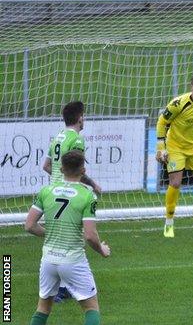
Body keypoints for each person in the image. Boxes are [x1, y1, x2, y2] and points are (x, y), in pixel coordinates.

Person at [25, 150, 111, 325]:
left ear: (62, 169)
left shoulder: (46, 191)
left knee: (43, 308)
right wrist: (102, 250)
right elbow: (90, 235)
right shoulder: (88, 195)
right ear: (83, 170)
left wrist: (51, 234)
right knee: (91, 307)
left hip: (48, 261)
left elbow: (29, 225)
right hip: (73, 261)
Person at [42, 100, 101, 302]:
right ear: (79, 118)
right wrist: (93, 184)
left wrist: (57, 179)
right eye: (83, 115)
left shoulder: (57, 137)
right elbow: (76, 169)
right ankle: (61, 288)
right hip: (69, 192)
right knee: (71, 238)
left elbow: (46, 166)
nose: (84, 119)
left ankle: (62, 286)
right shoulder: (76, 139)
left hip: (53, 193)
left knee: (62, 237)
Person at [156, 73, 193, 238]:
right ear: (192, 87)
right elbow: (162, 122)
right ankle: (169, 224)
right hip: (175, 147)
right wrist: (161, 148)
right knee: (175, 182)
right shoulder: (178, 104)